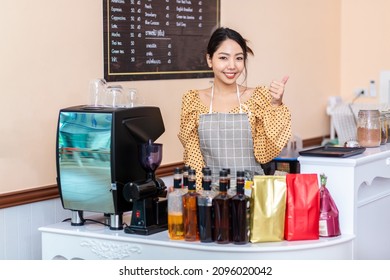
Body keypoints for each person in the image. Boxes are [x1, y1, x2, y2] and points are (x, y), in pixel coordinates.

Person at [178, 27, 292, 189]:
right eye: (223, 58)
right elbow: (194, 160)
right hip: (211, 196)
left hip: (251, 193)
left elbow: (266, 152)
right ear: (210, 60)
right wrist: (199, 199)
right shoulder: (193, 101)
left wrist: (276, 104)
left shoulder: (257, 98)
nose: (232, 66)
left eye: (239, 58)